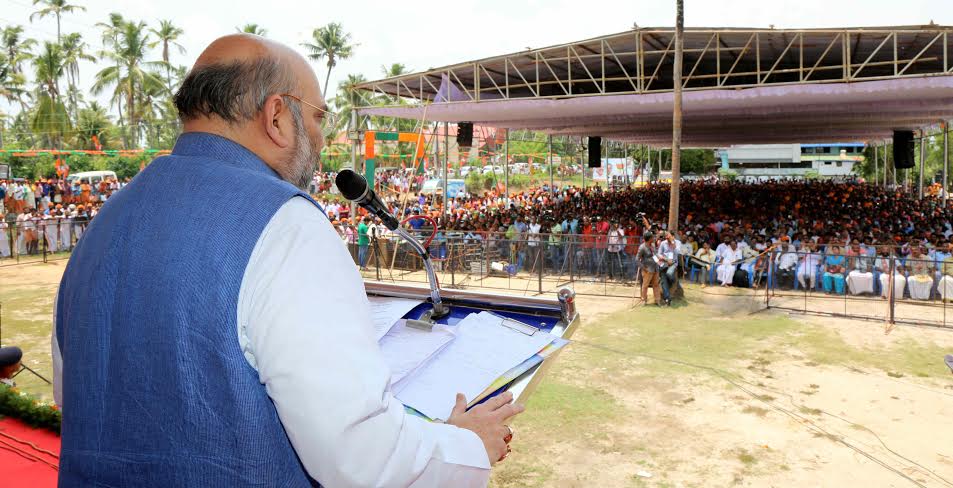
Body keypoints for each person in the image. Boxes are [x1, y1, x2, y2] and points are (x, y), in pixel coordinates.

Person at [53, 35, 517, 487]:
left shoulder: (107, 218)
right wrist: (466, 443)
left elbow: (70, 393)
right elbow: (361, 458)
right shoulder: (286, 223)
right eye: (317, 117)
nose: (320, 137)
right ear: (277, 115)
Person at [637, 232, 661, 306]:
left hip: (655, 268)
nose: (653, 238)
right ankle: (644, 300)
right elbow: (637, 259)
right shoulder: (642, 247)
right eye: (652, 237)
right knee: (645, 285)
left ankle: (657, 300)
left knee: (656, 284)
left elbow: (655, 255)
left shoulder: (653, 245)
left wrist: (660, 260)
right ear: (649, 239)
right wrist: (643, 268)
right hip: (647, 270)